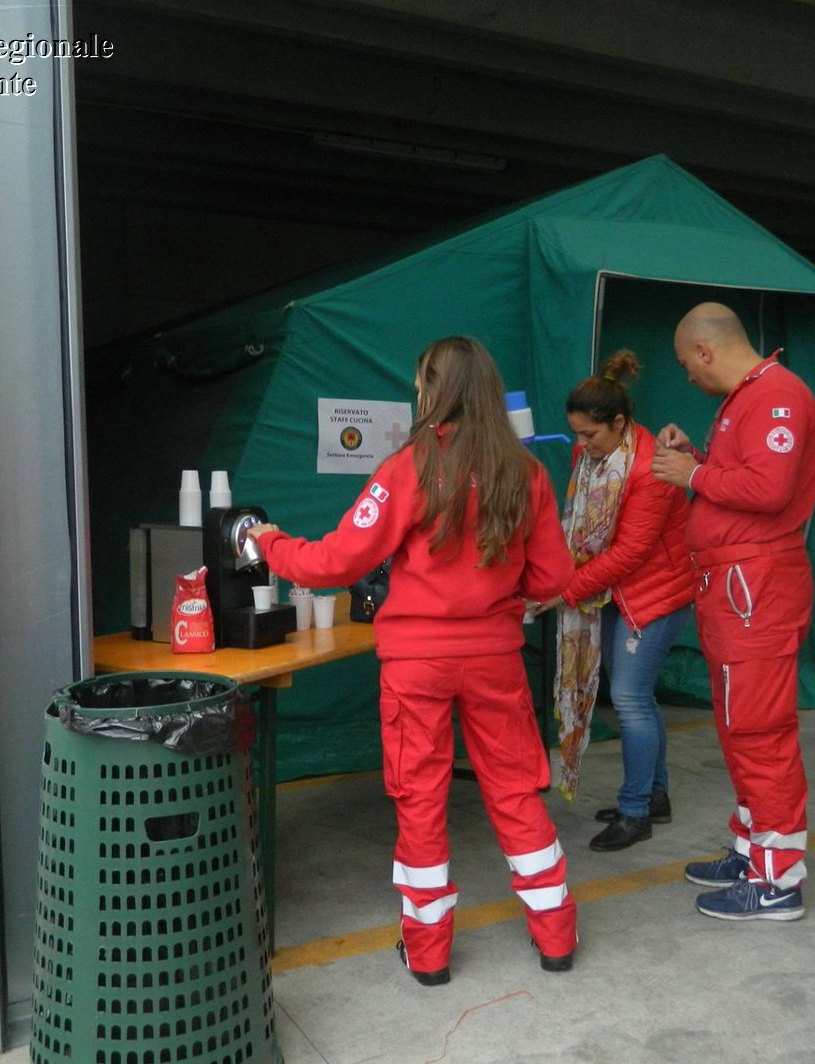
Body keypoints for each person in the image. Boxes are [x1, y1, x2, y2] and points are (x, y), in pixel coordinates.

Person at [246, 336, 578, 984]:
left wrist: (272, 543)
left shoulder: (409, 468)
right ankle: (556, 936)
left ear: (432, 389)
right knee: (515, 792)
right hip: (496, 658)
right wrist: (503, 597)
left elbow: (336, 561)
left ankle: (428, 956)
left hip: (416, 665)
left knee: (420, 799)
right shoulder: (527, 472)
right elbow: (555, 577)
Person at [650, 302, 815, 922]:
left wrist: (693, 474)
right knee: (738, 727)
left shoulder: (777, 395)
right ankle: (755, 851)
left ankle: (778, 881)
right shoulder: (744, 399)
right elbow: (742, 476)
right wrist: (696, 458)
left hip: (757, 588)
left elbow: (770, 489)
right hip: (735, 589)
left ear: (704, 350)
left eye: (685, 366)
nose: (688, 379)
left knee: (761, 733)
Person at [548, 349, 697, 852]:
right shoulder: (595, 453)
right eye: (576, 433)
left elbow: (631, 552)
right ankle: (656, 796)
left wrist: (566, 591)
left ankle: (636, 813)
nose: (581, 444)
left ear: (619, 422)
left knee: (631, 700)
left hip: (655, 595)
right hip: (617, 594)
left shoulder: (651, 468)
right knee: (636, 698)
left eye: (590, 434)